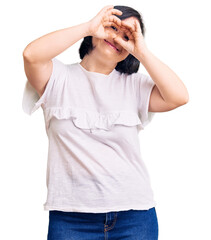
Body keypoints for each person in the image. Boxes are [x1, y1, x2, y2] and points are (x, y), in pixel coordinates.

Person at [22, 4, 189, 240]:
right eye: (112, 28)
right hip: (70, 218)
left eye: (127, 36)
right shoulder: (58, 77)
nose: (117, 39)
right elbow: (31, 54)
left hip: (134, 217)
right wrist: (88, 27)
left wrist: (141, 51)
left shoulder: (134, 85)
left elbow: (179, 97)